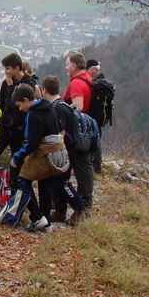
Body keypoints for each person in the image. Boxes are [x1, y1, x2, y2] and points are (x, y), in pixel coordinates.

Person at [10, 84, 67, 232]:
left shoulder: (33, 114)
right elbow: (60, 128)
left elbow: (32, 142)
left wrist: (17, 157)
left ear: (26, 99)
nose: (20, 109)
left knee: (22, 180)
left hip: (43, 153)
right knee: (45, 185)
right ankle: (46, 220)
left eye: (20, 105)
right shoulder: (50, 108)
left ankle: (37, 216)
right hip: (56, 153)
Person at [42, 75, 91, 224]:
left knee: (62, 182)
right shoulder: (63, 105)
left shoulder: (58, 108)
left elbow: (61, 133)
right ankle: (60, 211)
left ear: (44, 90)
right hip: (67, 150)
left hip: (65, 152)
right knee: (57, 182)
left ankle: (79, 208)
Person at [0, 52, 39, 174]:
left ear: (17, 68)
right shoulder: (6, 82)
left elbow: (17, 107)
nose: (6, 71)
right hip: (4, 126)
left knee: (17, 161)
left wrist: (11, 88)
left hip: (19, 129)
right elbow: (2, 105)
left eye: (8, 68)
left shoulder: (29, 83)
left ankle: (15, 186)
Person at [62, 51, 96, 207]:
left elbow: (78, 107)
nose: (66, 67)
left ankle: (83, 202)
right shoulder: (88, 79)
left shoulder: (76, 82)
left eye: (68, 64)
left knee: (79, 164)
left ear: (74, 66)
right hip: (88, 129)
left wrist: (62, 113)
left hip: (76, 131)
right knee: (80, 164)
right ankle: (72, 198)